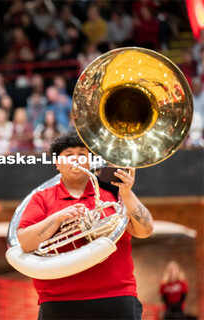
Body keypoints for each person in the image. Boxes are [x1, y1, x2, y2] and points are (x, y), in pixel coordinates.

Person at [17, 132, 154, 320]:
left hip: (117, 296)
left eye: (82, 154)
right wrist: (56, 219)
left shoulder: (113, 194)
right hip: (58, 301)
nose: (76, 159)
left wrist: (127, 193)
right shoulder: (42, 198)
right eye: (68, 155)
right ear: (57, 163)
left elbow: (145, 230)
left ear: (90, 161)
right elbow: (25, 243)